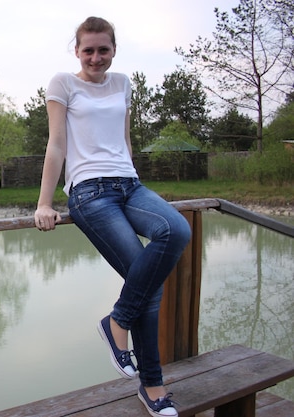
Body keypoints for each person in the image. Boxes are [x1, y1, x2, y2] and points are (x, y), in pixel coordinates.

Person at [34, 16, 191, 417]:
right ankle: (153, 387)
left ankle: (116, 321)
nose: (96, 57)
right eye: (88, 50)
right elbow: (56, 144)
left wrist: (132, 173)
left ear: (114, 50)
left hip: (129, 185)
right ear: (77, 51)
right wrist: (44, 202)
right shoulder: (62, 84)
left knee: (176, 229)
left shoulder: (123, 83)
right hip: (89, 192)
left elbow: (123, 139)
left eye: (103, 49)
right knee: (147, 282)